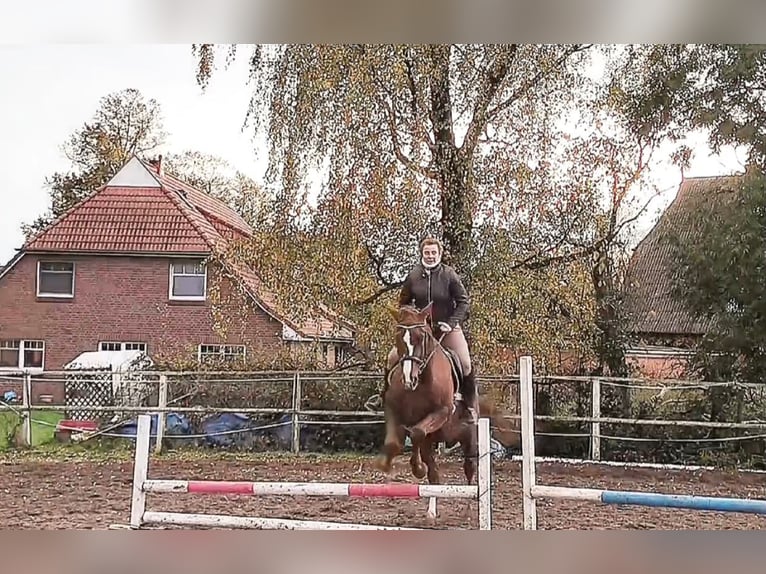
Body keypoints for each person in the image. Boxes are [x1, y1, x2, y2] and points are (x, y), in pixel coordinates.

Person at [382, 236, 478, 424]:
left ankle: (469, 406)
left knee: (465, 362)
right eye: (427, 253)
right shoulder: (413, 276)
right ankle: (383, 397)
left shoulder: (449, 275)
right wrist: (410, 319)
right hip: (419, 331)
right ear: (421, 254)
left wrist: (450, 323)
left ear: (439, 254)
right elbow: (403, 303)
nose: (430, 256)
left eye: (434, 253)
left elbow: (463, 302)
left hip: (446, 328)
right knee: (392, 357)